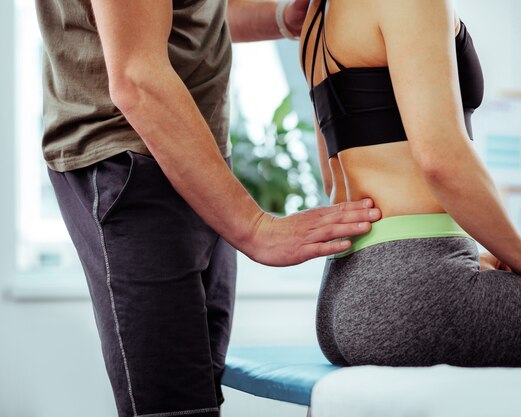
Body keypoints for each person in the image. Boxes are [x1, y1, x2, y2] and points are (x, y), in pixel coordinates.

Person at [34, 1, 382, 416]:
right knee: (175, 405)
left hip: (196, 158)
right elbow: (136, 78)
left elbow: (181, 16)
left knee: (198, 392)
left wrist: (278, 18)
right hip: (132, 160)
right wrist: (256, 228)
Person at [300, 0, 521, 367]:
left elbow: (332, 173)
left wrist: (477, 253)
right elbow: (442, 161)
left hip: (343, 293)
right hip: (415, 293)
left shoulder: (316, 16)